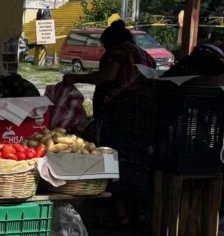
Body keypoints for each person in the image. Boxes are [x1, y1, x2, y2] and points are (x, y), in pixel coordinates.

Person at [63, 19, 156, 222]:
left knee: (114, 158)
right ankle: (138, 211)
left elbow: (107, 76)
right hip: (145, 115)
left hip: (121, 115)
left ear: (110, 43)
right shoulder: (144, 54)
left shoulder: (117, 53)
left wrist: (76, 78)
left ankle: (121, 214)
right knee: (138, 161)